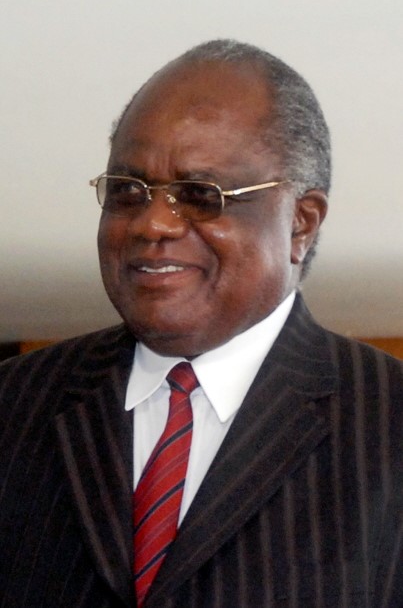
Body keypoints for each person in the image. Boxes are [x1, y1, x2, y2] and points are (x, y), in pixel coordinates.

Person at [0, 39, 402, 608]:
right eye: (128, 191)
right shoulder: (15, 404)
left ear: (301, 223)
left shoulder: (387, 423)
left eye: (198, 195)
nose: (153, 224)